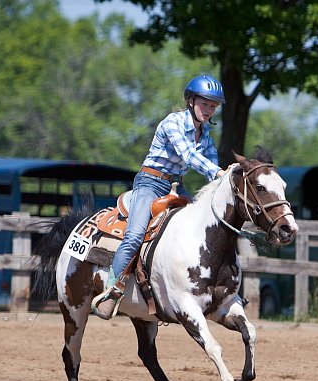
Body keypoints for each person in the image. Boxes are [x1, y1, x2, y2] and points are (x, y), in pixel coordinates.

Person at [91, 74, 227, 320]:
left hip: (176, 187)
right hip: (149, 183)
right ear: (191, 100)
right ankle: (111, 292)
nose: (209, 110)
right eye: (205, 103)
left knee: (203, 230)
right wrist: (217, 172)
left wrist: (224, 181)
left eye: (213, 106)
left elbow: (212, 165)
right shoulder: (172, 122)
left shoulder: (205, 135)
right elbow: (188, 156)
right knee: (134, 235)